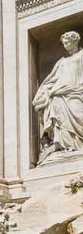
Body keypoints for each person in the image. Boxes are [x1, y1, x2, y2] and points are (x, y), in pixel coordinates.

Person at [33, 30, 83, 163]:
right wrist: (44, 92)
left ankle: (78, 144)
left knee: (79, 112)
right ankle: (64, 145)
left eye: (67, 42)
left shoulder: (82, 55)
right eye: (64, 43)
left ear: (75, 41)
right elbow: (51, 79)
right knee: (57, 108)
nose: (65, 45)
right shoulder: (61, 61)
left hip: (78, 91)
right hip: (61, 93)